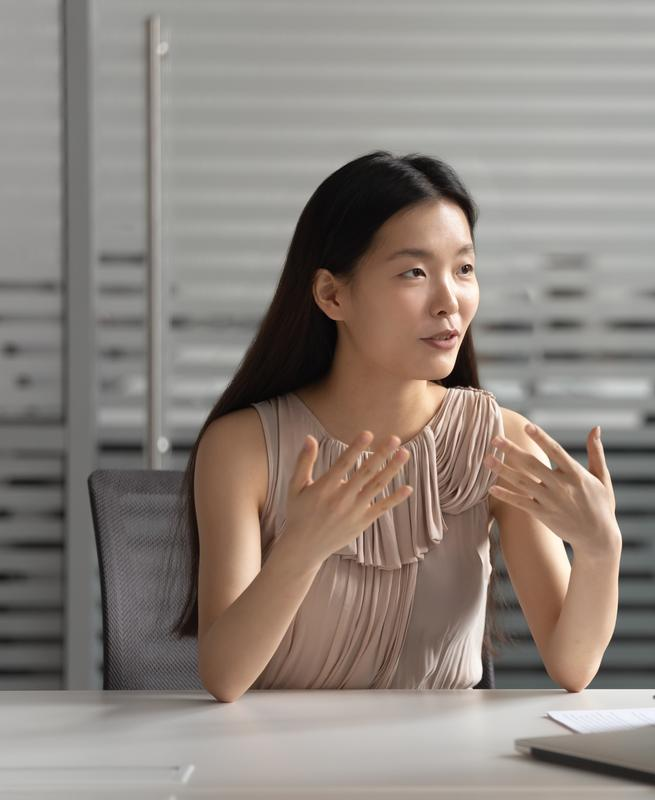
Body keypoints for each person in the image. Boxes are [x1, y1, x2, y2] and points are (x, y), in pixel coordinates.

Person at [176, 152, 622, 702]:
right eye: (414, 272)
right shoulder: (244, 447)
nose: (449, 301)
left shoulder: (494, 441)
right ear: (332, 295)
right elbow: (224, 678)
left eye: (463, 269)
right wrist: (303, 546)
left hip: (447, 770)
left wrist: (601, 551)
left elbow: (571, 666)